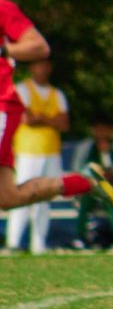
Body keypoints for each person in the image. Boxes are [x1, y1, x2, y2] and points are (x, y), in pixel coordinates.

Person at [0, 0, 113, 224]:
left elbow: (38, 46)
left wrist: (3, 50)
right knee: (8, 197)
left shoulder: (2, 7)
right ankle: (86, 182)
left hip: (1, 105)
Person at [6, 58, 69, 253]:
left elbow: (64, 124)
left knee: (45, 198)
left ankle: (39, 244)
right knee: (22, 196)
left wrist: (40, 117)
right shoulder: (23, 90)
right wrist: (50, 119)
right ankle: (14, 242)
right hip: (28, 151)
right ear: (32, 67)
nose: (42, 69)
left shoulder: (57, 94)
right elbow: (27, 119)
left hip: (51, 152)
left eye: (45, 65)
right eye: (38, 65)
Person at [70, 113, 113, 250]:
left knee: (112, 196)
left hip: (108, 187)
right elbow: (78, 170)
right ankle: (80, 237)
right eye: (98, 129)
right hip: (87, 187)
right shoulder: (84, 148)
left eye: (105, 129)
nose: (102, 133)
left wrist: (106, 157)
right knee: (85, 200)